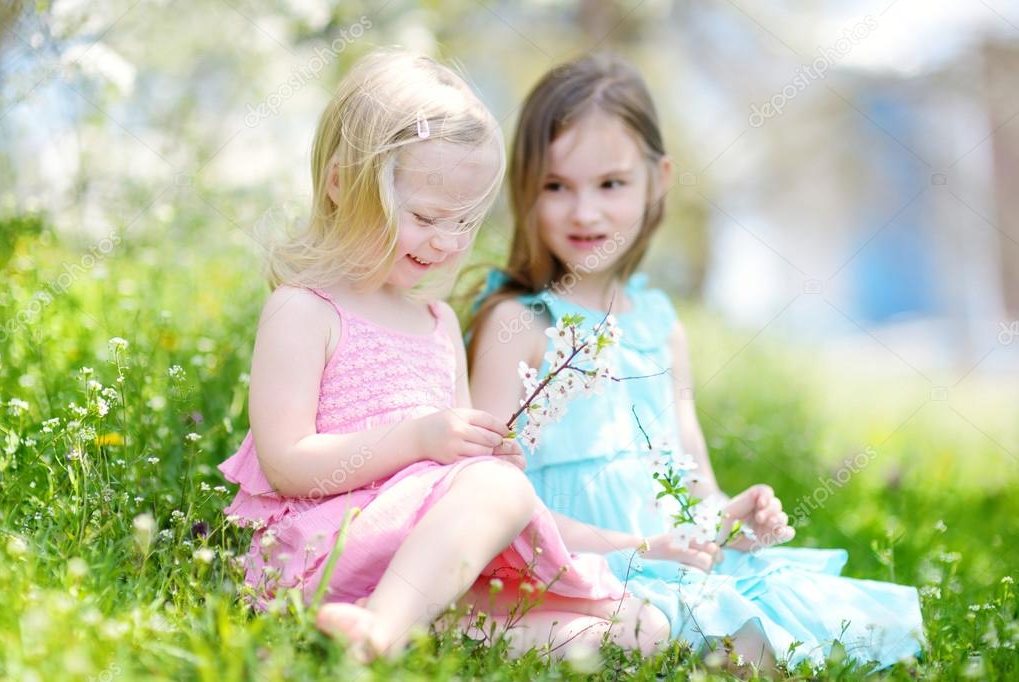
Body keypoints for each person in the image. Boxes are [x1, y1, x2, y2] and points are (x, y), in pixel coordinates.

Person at [467, 53, 924, 671]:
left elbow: (692, 484)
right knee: (674, 634)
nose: (584, 212)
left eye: (611, 184)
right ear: (526, 187)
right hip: (570, 570)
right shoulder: (519, 323)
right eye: (556, 186)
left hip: (669, 560)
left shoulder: (659, 326)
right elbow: (484, 502)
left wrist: (732, 520)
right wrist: (641, 548)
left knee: (823, 625)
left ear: (658, 179)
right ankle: (491, 628)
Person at [217, 49, 667, 663]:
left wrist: (485, 452)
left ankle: (403, 627)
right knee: (496, 492)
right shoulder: (305, 309)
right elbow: (289, 463)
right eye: (427, 216)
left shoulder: (439, 323)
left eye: (465, 222)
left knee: (641, 626)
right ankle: (380, 631)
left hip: (423, 564)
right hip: (327, 547)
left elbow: (464, 477)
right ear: (343, 184)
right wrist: (424, 439)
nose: (447, 242)